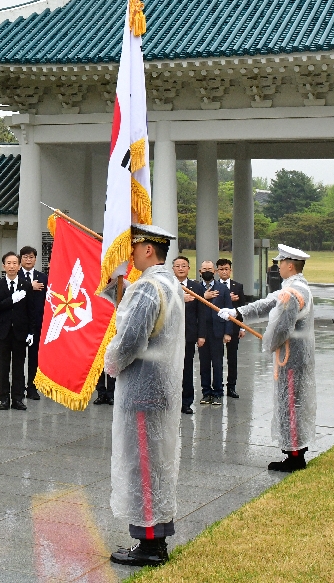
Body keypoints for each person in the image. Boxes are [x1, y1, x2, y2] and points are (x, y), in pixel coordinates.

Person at [105, 225, 185, 568]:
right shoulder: (168, 282)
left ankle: (149, 544)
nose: (131, 253)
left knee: (143, 466)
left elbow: (132, 338)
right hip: (160, 385)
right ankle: (158, 535)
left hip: (142, 388)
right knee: (155, 463)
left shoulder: (150, 287)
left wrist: (111, 361)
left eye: (135, 247)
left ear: (149, 249)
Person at [222, 244, 315, 472]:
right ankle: (295, 450)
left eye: (280, 263)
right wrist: (238, 312)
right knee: (292, 402)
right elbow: (269, 303)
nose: (278, 266)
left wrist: (268, 344)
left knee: (290, 403)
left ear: (289, 265)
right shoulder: (296, 287)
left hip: (291, 356)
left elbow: (282, 327)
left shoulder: (292, 292)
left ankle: (295, 456)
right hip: (294, 354)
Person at [0, 252, 32, 411]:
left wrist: (31, 332)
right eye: (9, 263)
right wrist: (12, 300)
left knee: (19, 367)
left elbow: (31, 310)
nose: (12, 266)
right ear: (3, 266)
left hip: (20, 332)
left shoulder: (26, 285)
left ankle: (18, 398)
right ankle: (3, 399)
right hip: (3, 332)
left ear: (19, 266)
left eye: (15, 263)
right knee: (3, 367)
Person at [195, 260, 231, 405]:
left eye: (210, 269)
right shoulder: (196, 288)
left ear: (215, 271)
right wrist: (204, 297)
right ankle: (206, 392)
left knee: (217, 363)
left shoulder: (222, 289)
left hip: (217, 331)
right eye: (204, 269)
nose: (207, 271)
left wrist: (228, 332)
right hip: (201, 332)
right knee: (203, 364)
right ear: (200, 271)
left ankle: (217, 392)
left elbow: (229, 311)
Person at [169, 256, 197, 414]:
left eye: (183, 265)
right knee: (170, 369)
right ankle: (171, 401)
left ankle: (186, 402)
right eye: (177, 266)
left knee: (187, 369)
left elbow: (201, 312)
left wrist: (201, 335)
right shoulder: (168, 286)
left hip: (188, 336)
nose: (180, 268)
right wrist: (180, 297)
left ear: (188, 268)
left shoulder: (196, 287)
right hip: (170, 335)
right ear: (172, 268)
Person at [215, 258, 247, 398]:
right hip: (217, 326)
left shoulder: (237, 286)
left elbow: (243, 308)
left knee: (232, 358)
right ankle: (218, 386)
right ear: (217, 271)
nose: (224, 271)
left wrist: (242, 328)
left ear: (230, 270)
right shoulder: (213, 286)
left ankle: (231, 387)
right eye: (221, 269)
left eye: (226, 269)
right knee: (217, 358)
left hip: (234, 327)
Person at [20, 246, 47, 401]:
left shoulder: (42, 277)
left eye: (31, 257)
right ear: (20, 259)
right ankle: (18, 387)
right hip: (19, 322)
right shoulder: (15, 275)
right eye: (25, 257)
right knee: (18, 357)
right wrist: (30, 286)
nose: (28, 260)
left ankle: (32, 387)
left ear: (35, 259)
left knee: (34, 358)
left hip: (37, 323)